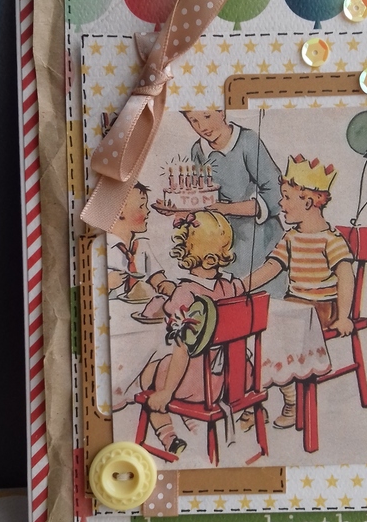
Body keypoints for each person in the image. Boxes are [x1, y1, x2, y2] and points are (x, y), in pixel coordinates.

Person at [139, 211, 265, 456]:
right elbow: (252, 281)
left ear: (185, 251)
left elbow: (182, 350)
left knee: (148, 378)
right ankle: (192, 423)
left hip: (198, 385)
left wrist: (166, 392)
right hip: (237, 379)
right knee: (164, 369)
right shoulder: (230, 287)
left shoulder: (185, 294)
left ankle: (169, 437)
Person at [246, 154, 355, 428]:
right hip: (294, 306)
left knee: (274, 331)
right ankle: (254, 399)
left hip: (322, 309)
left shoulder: (331, 240)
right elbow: (272, 267)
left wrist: (344, 316)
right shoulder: (291, 238)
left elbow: (345, 277)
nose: (280, 204)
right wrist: (241, 286)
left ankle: (291, 400)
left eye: (286, 197)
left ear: (307, 202)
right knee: (255, 324)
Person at [181, 110, 284, 293]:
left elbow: (276, 194)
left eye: (207, 116)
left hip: (260, 246)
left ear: (221, 112)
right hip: (224, 249)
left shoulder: (247, 141)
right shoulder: (198, 150)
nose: (202, 127)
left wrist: (227, 209)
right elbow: (203, 198)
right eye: (193, 120)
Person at [107, 182, 175, 299]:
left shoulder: (141, 245)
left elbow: (155, 276)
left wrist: (165, 284)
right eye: (141, 206)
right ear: (120, 210)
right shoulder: (104, 247)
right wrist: (107, 283)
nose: (147, 211)